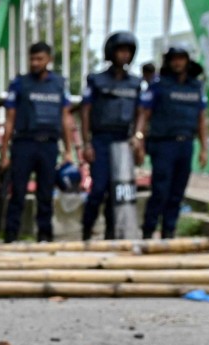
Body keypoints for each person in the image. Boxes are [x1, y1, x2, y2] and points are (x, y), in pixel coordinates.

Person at [0, 42, 75, 243]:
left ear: (49, 59)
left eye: (40, 59)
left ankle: (45, 236)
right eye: (32, 59)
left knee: (45, 195)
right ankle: (11, 237)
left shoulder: (59, 84)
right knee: (18, 193)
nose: (35, 63)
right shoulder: (20, 84)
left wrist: (69, 150)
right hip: (24, 143)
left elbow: (65, 118)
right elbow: (9, 119)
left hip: (48, 145)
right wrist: (4, 152)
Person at [135, 43, 209, 239]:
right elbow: (145, 114)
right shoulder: (159, 85)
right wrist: (139, 139)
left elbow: (202, 119)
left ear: (187, 60)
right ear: (168, 62)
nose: (178, 63)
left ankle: (169, 232)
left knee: (178, 192)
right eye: (174, 59)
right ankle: (148, 231)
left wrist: (204, 148)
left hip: (185, 144)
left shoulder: (196, 86)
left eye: (181, 58)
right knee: (160, 190)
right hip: (163, 144)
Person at [80, 31, 140, 240]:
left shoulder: (135, 83)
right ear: (111, 52)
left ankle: (112, 234)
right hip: (100, 139)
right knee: (98, 190)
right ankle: (86, 230)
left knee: (119, 191)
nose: (124, 55)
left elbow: (141, 112)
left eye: (128, 51)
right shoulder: (96, 80)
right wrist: (86, 143)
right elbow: (85, 111)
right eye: (120, 50)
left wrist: (138, 137)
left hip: (123, 141)